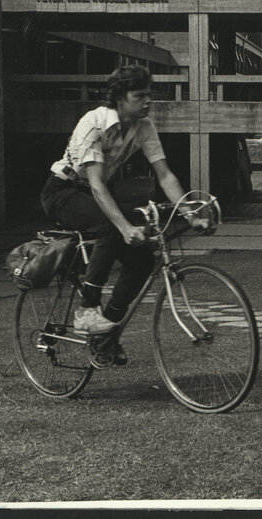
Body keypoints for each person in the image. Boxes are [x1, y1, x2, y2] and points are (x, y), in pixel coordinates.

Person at [39, 65, 209, 362]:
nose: (148, 101)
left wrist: (189, 214)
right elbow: (95, 184)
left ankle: (105, 335)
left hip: (97, 193)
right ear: (120, 97)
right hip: (63, 192)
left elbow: (165, 175)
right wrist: (124, 227)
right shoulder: (93, 123)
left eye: (149, 95)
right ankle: (86, 311)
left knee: (144, 259)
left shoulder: (144, 127)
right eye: (140, 95)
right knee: (111, 225)